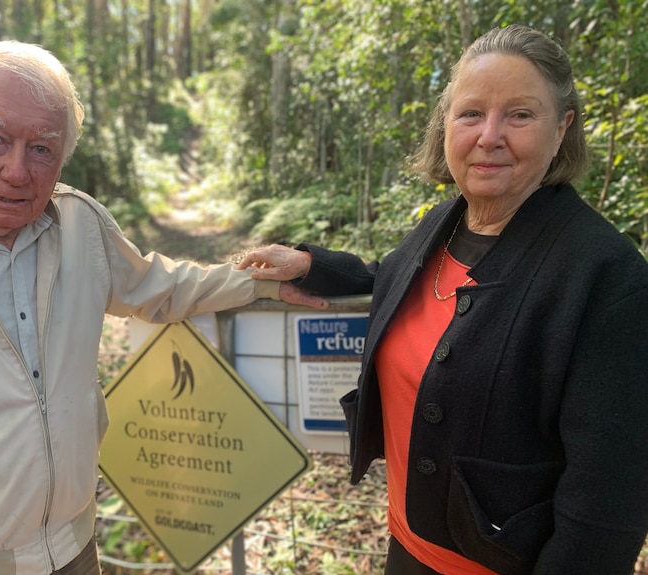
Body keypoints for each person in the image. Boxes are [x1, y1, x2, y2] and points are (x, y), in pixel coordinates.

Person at [0, 41, 324, 575]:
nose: (18, 172)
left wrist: (261, 285)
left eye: (42, 148)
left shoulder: (81, 227)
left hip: (73, 555)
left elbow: (158, 287)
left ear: (63, 153)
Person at [238, 24, 648, 575]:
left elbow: (607, 505)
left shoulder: (606, 277)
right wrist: (314, 266)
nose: (490, 135)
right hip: (405, 544)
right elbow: (393, 278)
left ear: (562, 127)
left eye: (520, 115)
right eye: (471, 113)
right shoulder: (443, 223)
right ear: (446, 124)